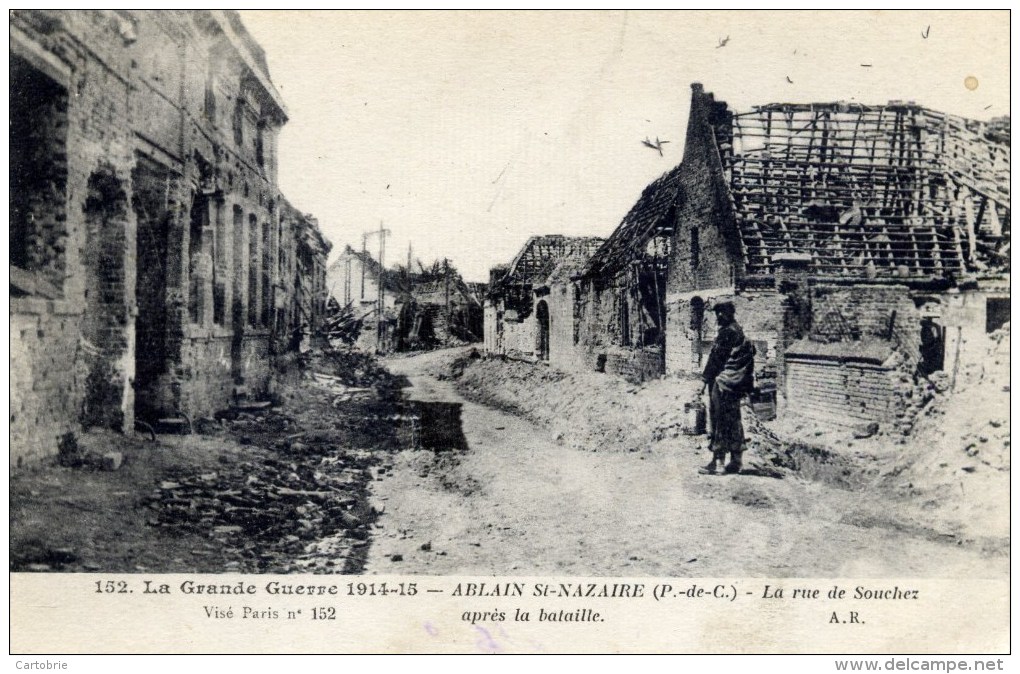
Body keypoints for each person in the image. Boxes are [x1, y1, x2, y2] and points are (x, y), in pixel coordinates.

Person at [699, 301, 755, 475]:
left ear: (729, 313)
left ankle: (718, 463)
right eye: (717, 314)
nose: (718, 317)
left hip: (722, 383)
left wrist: (703, 380)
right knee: (733, 419)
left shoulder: (727, 333)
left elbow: (716, 359)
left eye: (721, 313)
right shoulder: (738, 330)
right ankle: (736, 462)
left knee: (719, 421)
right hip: (735, 384)